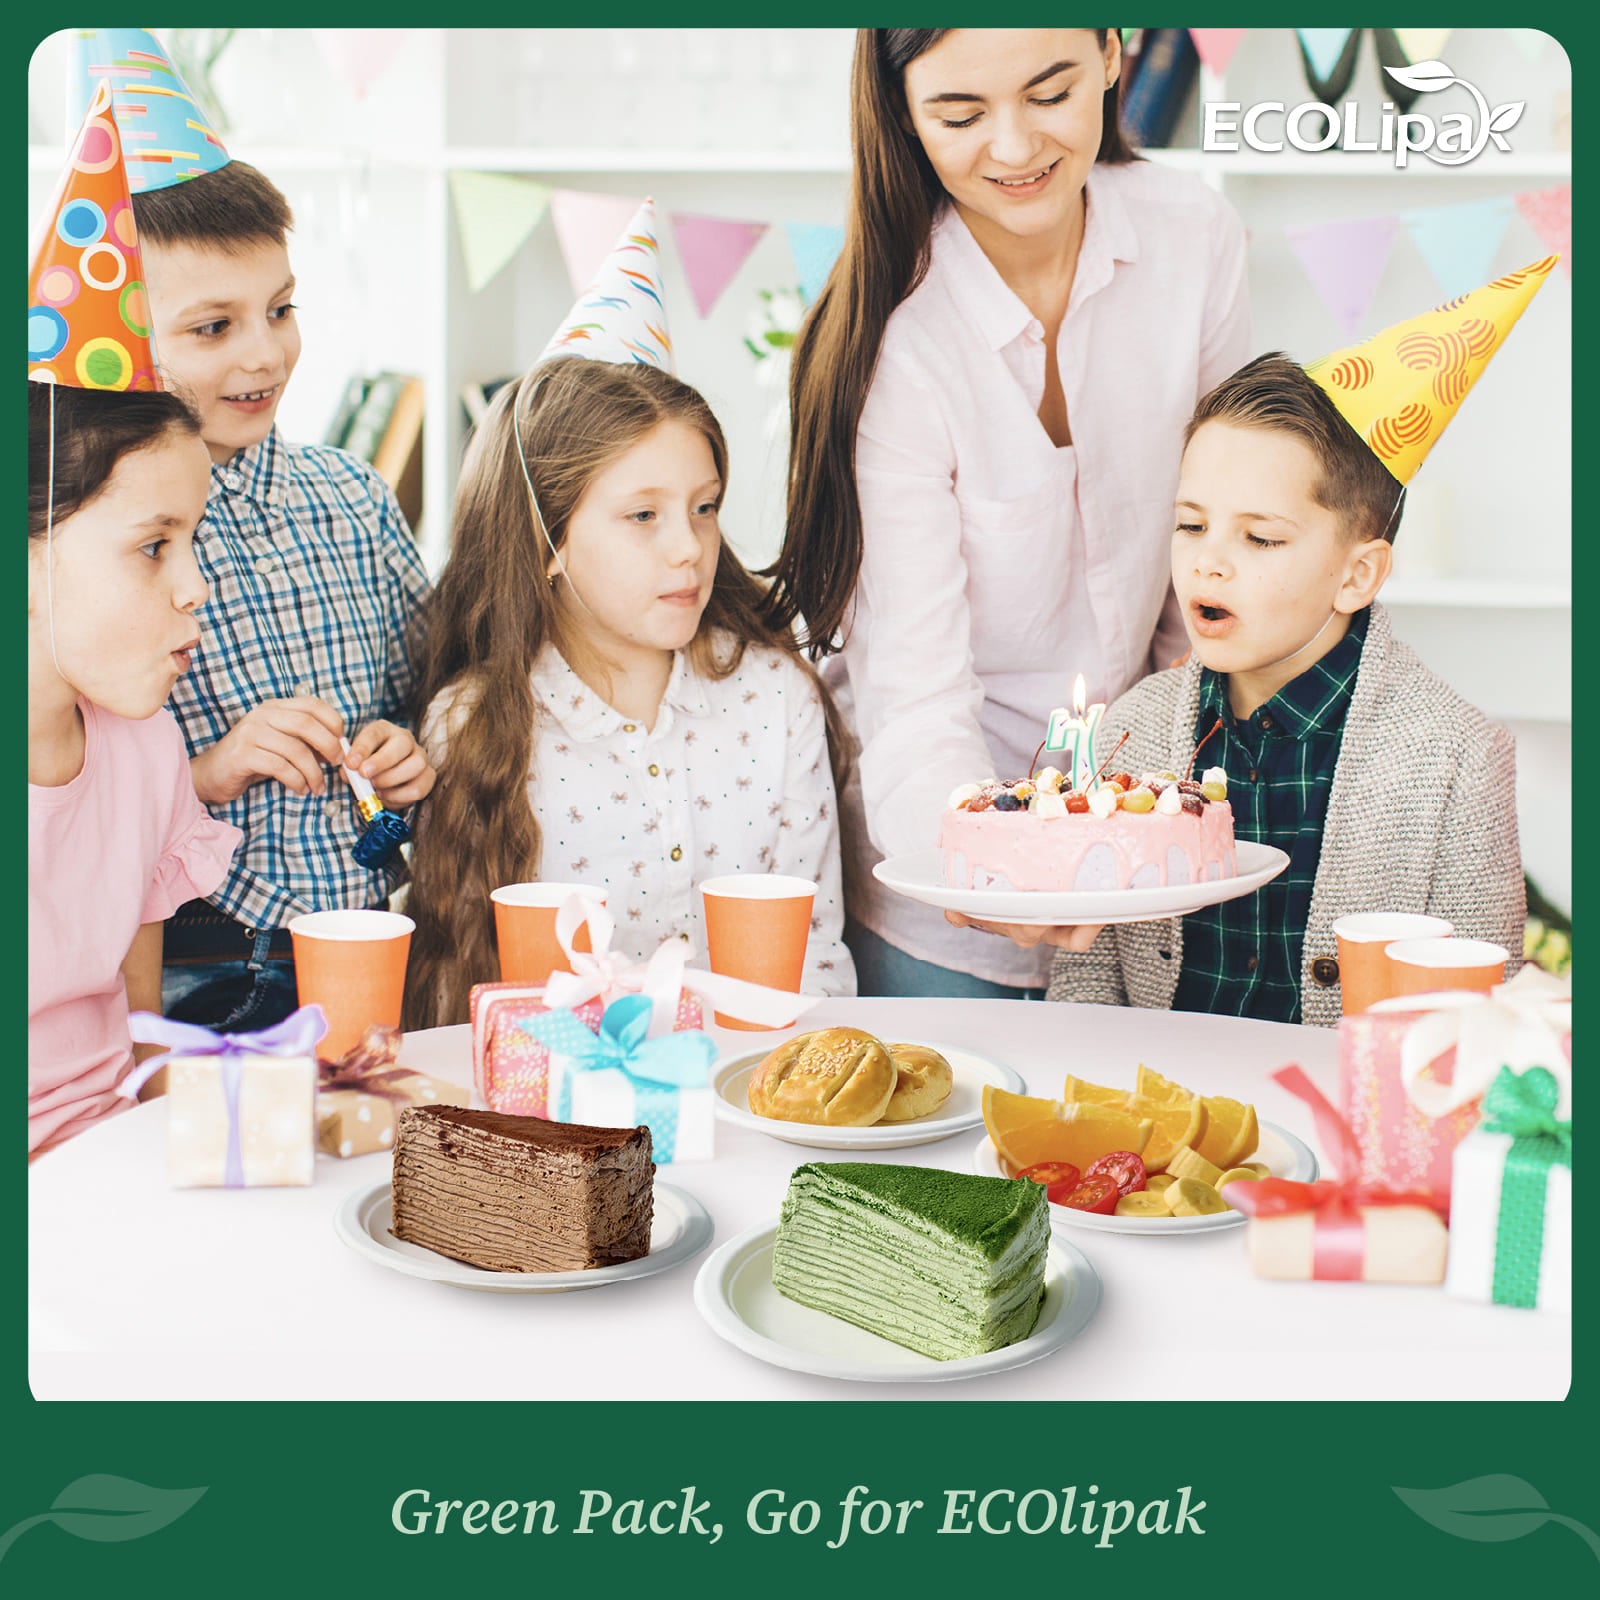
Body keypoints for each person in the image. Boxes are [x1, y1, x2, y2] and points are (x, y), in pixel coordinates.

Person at [762, 27, 1252, 1000]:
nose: (1017, 146)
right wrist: (998, 866)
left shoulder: (1192, 236)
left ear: (1111, 53)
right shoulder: (894, 339)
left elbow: (1221, 543)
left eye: (1050, 92)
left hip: (1149, 862)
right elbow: (914, 697)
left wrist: (1161, 803)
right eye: (960, 114)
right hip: (946, 901)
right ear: (901, 111)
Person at [403, 203, 855, 1027]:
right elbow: (457, 996)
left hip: (752, 1086)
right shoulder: (475, 727)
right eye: (643, 515)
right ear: (547, 540)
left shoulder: (775, 701)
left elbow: (817, 959)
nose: (688, 548)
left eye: (704, 507)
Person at [76, 31, 436, 1030]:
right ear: (124, 337)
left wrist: (414, 750)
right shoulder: (92, 542)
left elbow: (440, 690)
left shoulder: (353, 498)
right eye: (213, 327)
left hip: (370, 945)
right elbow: (68, 794)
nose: (265, 353)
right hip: (191, 963)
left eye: (280, 309)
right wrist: (210, 772)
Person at [1042, 335, 1538, 1025]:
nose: (1208, 563)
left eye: (1261, 538)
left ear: (1357, 575)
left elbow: (1478, 1015)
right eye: (1191, 524)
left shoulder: (1456, 756)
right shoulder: (1133, 727)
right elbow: (1086, 982)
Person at [28, 381, 243, 1156]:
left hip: (118, 1161)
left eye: (193, 542)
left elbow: (144, 1036)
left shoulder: (148, 748)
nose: (197, 587)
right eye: (155, 547)